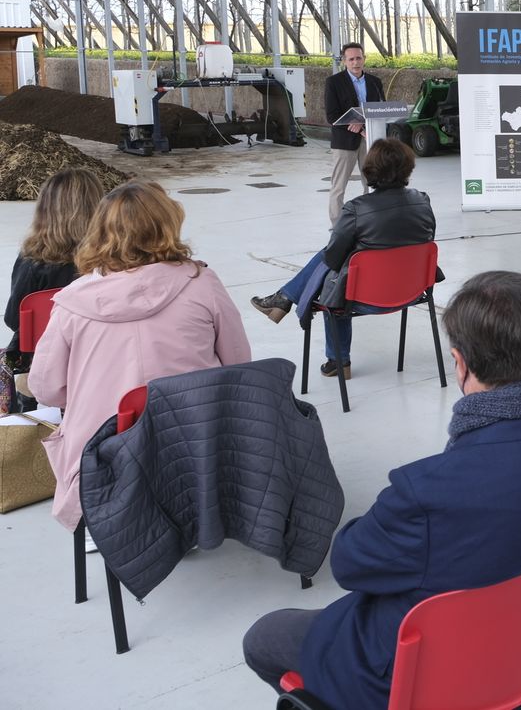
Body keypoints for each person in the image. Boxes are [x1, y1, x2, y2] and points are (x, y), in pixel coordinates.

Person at [242, 270, 521, 710]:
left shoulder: (427, 491)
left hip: (422, 683)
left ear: (459, 362)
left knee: (263, 638)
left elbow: (348, 564)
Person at [28, 181, 252, 530]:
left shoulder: (71, 302)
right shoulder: (202, 282)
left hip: (103, 461)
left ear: (99, 230)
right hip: (195, 449)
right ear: (168, 224)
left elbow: (46, 389)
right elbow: (239, 366)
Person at [251, 138, 434, 380]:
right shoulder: (422, 201)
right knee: (345, 262)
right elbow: (427, 240)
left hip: (365, 298)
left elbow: (332, 258)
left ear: (371, 169)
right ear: (408, 168)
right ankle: (284, 298)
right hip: (413, 292)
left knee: (333, 280)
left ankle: (336, 359)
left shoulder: (356, 209)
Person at [3, 167, 103, 413]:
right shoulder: (114, 259)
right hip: (99, 355)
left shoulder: (32, 260)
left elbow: (14, 319)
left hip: (42, 362)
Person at [325, 43, 386, 226]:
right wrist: (358, 126)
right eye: (351, 59)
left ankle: (372, 220)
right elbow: (331, 116)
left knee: (373, 183)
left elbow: (381, 108)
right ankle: (337, 225)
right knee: (339, 186)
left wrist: (367, 126)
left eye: (358, 58)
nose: (355, 62)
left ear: (364, 59)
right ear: (344, 61)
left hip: (370, 140)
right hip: (345, 142)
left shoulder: (375, 82)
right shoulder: (334, 82)